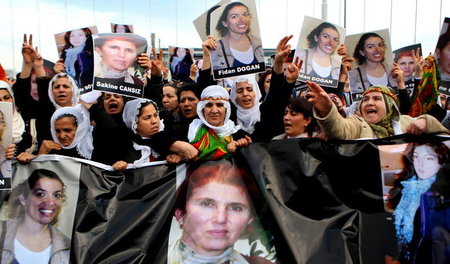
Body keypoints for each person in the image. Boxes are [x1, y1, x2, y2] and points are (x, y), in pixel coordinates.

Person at [170, 161, 273, 263]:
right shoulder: (156, 257)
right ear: (180, 215)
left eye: (236, 208)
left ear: (249, 219)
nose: (221, 219)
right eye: (207, 204)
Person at [307, 82, 449, 140]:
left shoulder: (406, 122)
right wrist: (327, 110)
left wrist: (426, 122)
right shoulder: (357, 123)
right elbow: (339, 128)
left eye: (376, 99)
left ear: (389, 105)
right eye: (366, 99)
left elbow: (444, 137)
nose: (369, 103)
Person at [390, 142, 449, 263]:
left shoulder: (444, 196)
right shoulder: (406, 189)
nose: (420, 164)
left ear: (442, 161)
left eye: (429, 158)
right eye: (416, 157)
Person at [0, 169, 70, 263]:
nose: (50, 202)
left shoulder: (67, 246)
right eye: (41, 194)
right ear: (23, 199)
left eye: (57, 195)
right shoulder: (1, 232)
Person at [112, 98, 198, 170]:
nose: (154, 121)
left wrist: (181, 156)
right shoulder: (124, 146)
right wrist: (120, 166)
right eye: (147, 118)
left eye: (156, 115)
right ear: (134, 123)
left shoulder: (170, 138)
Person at [188, 85, 251, 161]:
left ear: (226, 109)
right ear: (202, 109)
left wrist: (242, 147)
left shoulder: (239, 134)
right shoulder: (192, 130)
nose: (214, 110)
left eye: (219, 105)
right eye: (209, 105)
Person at [210, 2, 264, 70]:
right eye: (234, 16)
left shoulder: (259, 44)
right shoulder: (215, 49)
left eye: (245, 14)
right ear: (225, 23)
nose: (242, 20)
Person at [349, 33, 399, 100]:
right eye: (370, 47)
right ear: (362, 52)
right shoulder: (352, 75)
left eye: (380, 45)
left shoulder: (394, 71)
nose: (377, 50)